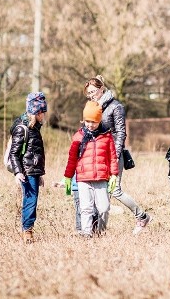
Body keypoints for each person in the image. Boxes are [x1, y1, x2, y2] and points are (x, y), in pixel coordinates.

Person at [83, 75, 151, 234]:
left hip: (113, 154)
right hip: (98, 154)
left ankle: (141, 216)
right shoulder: (93, 107)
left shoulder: (115, 107)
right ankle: (98, 230)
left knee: (114, 190)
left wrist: (115, 154)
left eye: (93, 91)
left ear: (101, 89)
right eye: (88, 93)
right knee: (100, 191)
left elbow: (121, 133)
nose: (91, 95)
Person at [63, 101, 119, 238]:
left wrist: (114, 175)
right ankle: (86, 233)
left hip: (101, 178)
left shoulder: (106, 136)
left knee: (104, 208)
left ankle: (100, 231)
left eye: (93, 121)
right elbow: (72, 159)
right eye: (87, 121)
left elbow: (112, 156)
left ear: (99, 121)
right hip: (83, 178)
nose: (90, 124)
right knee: (86, 208)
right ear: (83, 120)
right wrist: (68, 177)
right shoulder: (78, 136)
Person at [9, 92, 48, 244]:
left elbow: (35, 153)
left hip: (33, 170)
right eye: (42, 112)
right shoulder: (23, 128)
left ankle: (28, 228)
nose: (44, 115)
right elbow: (14, 154)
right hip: (26, 171)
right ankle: (27, 231)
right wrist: (18, 172)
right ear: (37, 112)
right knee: (30, 200)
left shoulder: (35, 128)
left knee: (31, 199)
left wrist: (39, 173)